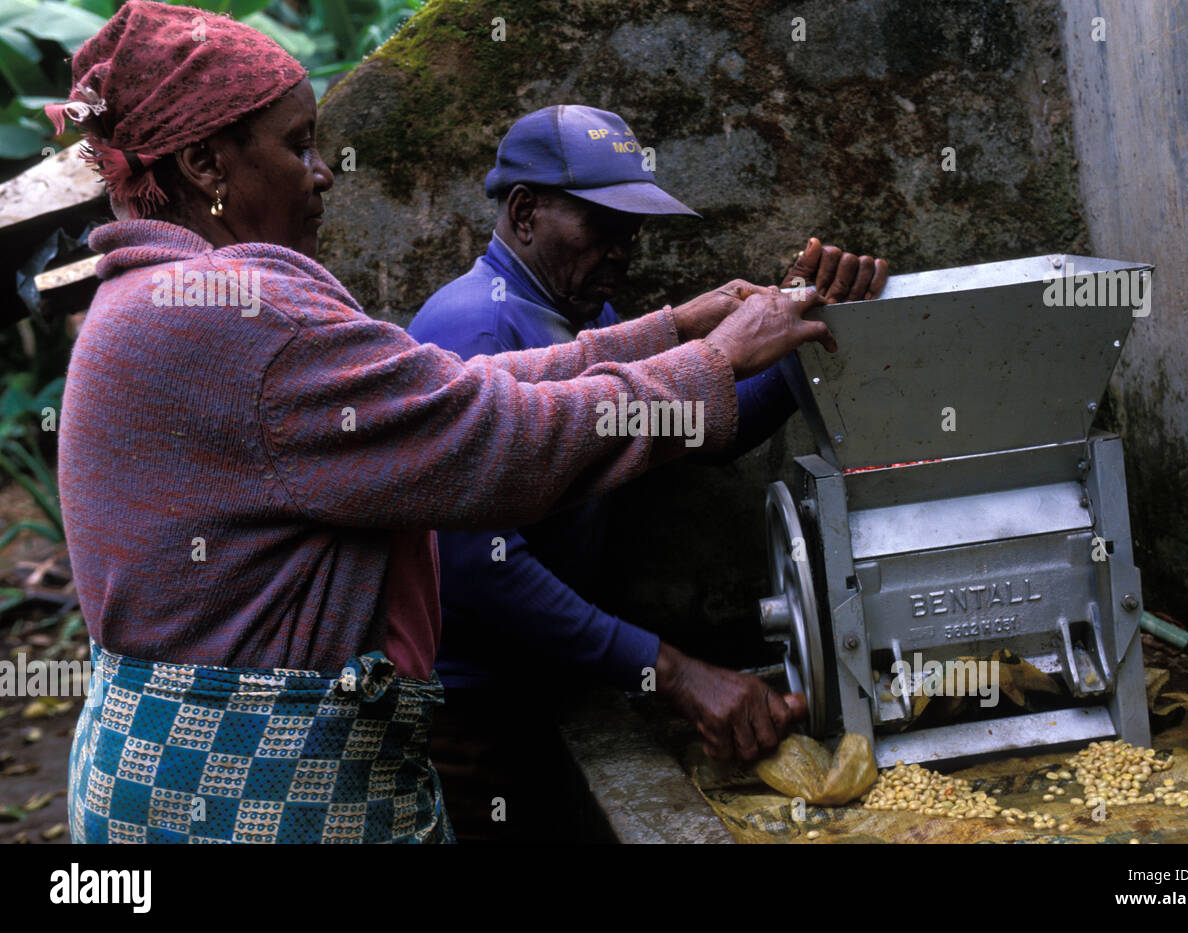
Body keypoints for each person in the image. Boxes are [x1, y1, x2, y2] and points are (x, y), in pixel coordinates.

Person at [49, 2, 833, 844]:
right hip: (256, 798)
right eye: (297, 145)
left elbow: (456, 393)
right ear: (207, 163)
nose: (322, 172)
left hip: (158, 772)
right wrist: (711, 365)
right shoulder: (246, 315)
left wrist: (674, 331)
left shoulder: (147, 300)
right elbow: (493, 435)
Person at [408, 105, 888, 841]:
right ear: (526, 211)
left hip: (549, 695)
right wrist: (671, 669)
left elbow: (688, 429)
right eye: (601, 227)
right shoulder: (477, 325)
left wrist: (802, 334)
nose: (622, 249)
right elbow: (474, 564)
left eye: (631, 230)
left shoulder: (578, 313)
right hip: (474, 718)